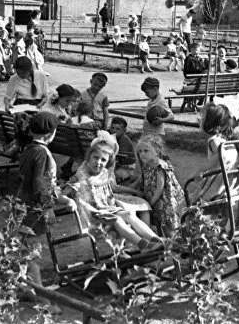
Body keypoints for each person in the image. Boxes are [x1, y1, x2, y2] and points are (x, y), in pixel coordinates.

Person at [17, 111, 77, 310]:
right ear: (51, 134)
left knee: (25, 249)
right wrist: (49, 207)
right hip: (34, 208)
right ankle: (42, 297)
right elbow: (41, 185)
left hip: (22, 203)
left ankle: (26, 289)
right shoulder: (43, 153)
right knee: (32, 251)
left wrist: (61, 196)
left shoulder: (29, 148)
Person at [64, 134, 161, 250]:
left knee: (129, 214)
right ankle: (144, 244)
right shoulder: (81, 176)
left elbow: (113, 188)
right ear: (89, 157)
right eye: (95, 157)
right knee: (118, 220)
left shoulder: (104, 173)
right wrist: (68, 200)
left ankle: (157, 240)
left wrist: (129, 193)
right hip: (94, 215)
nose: (98, 162)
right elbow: (63, 193)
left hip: (109, 209)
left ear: (108, 163)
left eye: (103, 160)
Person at [135, 137, 185, 237]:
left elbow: (160, 187)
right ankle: (165, 247)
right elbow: (141, 180)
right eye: (140, 151)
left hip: (167, 202)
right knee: (160, 225)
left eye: (146, 151)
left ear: (156, 151)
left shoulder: (160, 166)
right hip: (157, 202)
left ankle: (175, 248)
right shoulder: (147, 165)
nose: (142, 154)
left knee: (169, 228)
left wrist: (151, 202)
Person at [141, 77, 174, 145]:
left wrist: (161, 120)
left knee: (153, 154)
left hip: (155, 135)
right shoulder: (151, 100)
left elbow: (171, 116)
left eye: (147, 92)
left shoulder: (161, 100)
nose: (146, 94)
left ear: (155, 89)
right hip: (147, 132)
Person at [109, 117, 137, 184]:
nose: (114, 131)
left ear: (124, 131)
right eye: (112, 128)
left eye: (118, 129)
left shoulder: (124, 140)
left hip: (127, 167)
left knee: (116, 175)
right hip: (116, 163)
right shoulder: (109, 135)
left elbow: (118, 157)